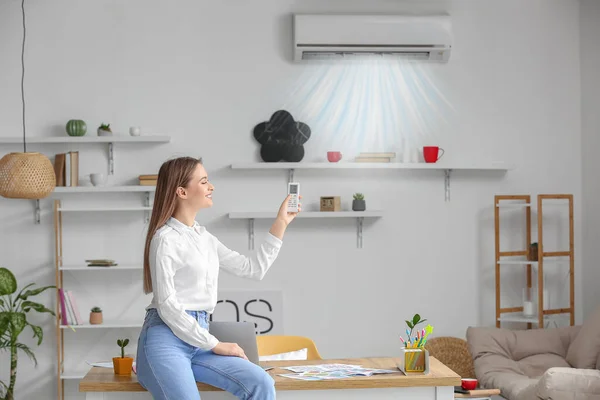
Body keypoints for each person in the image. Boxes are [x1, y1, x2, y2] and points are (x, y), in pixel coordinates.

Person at [136, 156, 300, 400]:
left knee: (261, 383)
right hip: (166, 340)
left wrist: (281, 223)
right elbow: (168, 307)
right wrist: (216, 344)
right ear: (181, 191)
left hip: (199, 340)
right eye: (204, 182)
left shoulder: (205, 238)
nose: (211, 187)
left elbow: (253, 269)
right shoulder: (165, 240)